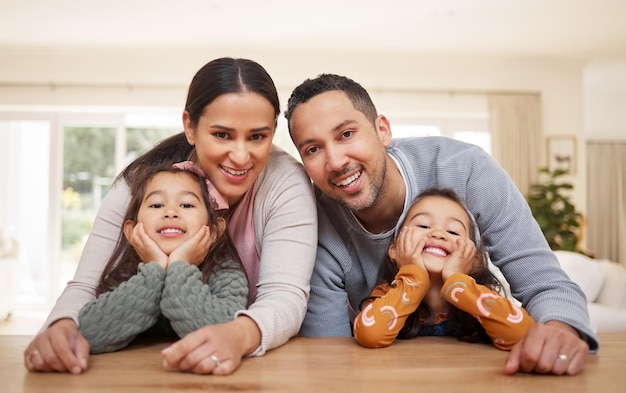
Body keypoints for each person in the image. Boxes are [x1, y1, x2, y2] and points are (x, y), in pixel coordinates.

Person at [284, 73, 598, 376]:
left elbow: (545, 282)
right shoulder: (312, 219)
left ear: (382, 130)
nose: (336, 162)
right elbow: (328, 351)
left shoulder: (467, 169)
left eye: (346, 134)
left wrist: (560, 329)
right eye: (312, 149)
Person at [24, 57, 317, 375]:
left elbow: (286, 296)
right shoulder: (140, 183)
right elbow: (85, 284)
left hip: (251, 369)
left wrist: (238, 335)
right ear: (190, 127)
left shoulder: (285, 182)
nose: (241, 155)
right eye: (222, 135)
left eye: (257, 136)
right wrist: (62, 325)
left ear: (273, 130)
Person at [78, 164, 248, 354]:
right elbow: (89, 333)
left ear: (214, 230)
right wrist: (155, 269)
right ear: (132, 231)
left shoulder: (225, 273)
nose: (171, 212)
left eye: (186, 205)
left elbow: (221, 334)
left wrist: (180, 265)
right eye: (157, 205)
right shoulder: (126, 275)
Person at [353, 188, 535, 350]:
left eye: (453, 231)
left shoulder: (480, 295)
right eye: (423, 225)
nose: (438, 234)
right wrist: (413, 278)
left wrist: (457, 281)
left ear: (474, 259)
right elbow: (370, 335)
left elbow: (522, 335)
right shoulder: (387, 294)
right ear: (394, 250)